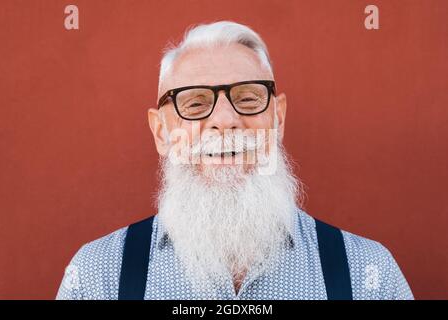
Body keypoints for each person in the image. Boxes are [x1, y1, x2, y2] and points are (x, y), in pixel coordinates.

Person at [56, 21, 413, 300]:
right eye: (194, 103)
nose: (225, 120)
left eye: (247, 98)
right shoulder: (97, 275)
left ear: (278, 119)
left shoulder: (368, 274)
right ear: (161, 132)